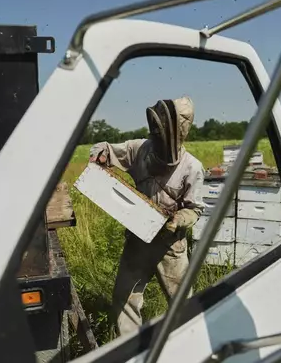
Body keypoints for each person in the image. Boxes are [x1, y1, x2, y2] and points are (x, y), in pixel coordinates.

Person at [88, 96, 205, 336]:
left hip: (170, 244)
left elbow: (195, 209)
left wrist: (178, 219)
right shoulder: (138, 149)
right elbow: (108, 150)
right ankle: (131, 352)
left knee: (182, 303)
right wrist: (100, 152)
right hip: (138, 239)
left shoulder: (192, 167)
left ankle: (188, 347)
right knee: (124, 298)